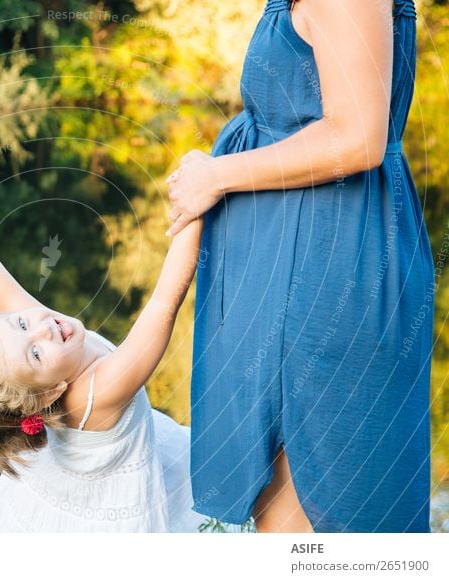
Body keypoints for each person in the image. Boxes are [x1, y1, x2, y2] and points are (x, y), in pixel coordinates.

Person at [166, 0, 432, 532]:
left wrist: (219, 177)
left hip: (321, 275)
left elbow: (356, 136)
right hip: (292, 272)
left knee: (332, 517)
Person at [0, 191, 213, 532]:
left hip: (108, 466)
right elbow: (165, 303)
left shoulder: (33, 330)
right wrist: (196, 200)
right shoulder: (103, 390)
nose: (42, 329)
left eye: (20, 322)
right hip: (106, 508)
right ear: (51, 394)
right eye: (35, 355)